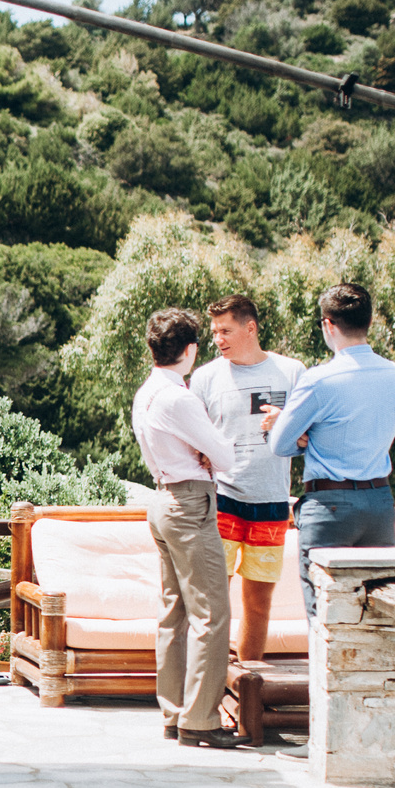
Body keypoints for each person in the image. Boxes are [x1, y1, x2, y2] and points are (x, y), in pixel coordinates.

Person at [262, 281, 395, 617]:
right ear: (368, 323)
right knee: (377, 615)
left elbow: (280, 444)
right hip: (379, 503)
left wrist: (301, 434)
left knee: (325, 615)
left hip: (329, 508)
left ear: (328, 325)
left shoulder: (319, 380)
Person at [131, 307, 241, 749]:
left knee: (173, 614)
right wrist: (210, 452)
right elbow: (227, 457)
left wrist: (202, 453)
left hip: (161, 498)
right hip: (191, 503)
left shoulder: (146, 392)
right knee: (212, 613)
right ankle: (200, 720)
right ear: (191, 350)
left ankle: (174, 713)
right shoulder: (180, 397)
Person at [192, 294, 305, 664]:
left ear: (250, 328)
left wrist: (286, 425)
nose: (218, 339)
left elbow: (308, 438)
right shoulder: (207, 377)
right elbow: (191, 440)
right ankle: (210, 690)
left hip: (271, 502)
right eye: (214, 332)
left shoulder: (292, 372)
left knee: (259, 603)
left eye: (225, 330)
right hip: (221, 500)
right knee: (213, 602)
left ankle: (247, 692)